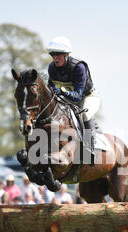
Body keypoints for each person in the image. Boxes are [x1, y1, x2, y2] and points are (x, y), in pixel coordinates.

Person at [46, 36, 100, 164]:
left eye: (58, 55)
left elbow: (77, 96)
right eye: (53, 54)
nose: (55, 58)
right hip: (67, 98)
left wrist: (62, 91)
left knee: (85, 114)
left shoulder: (79, 67)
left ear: (67, 55)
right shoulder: (52, 68)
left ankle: (90, 149)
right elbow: (51, 87)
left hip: (87, 97)